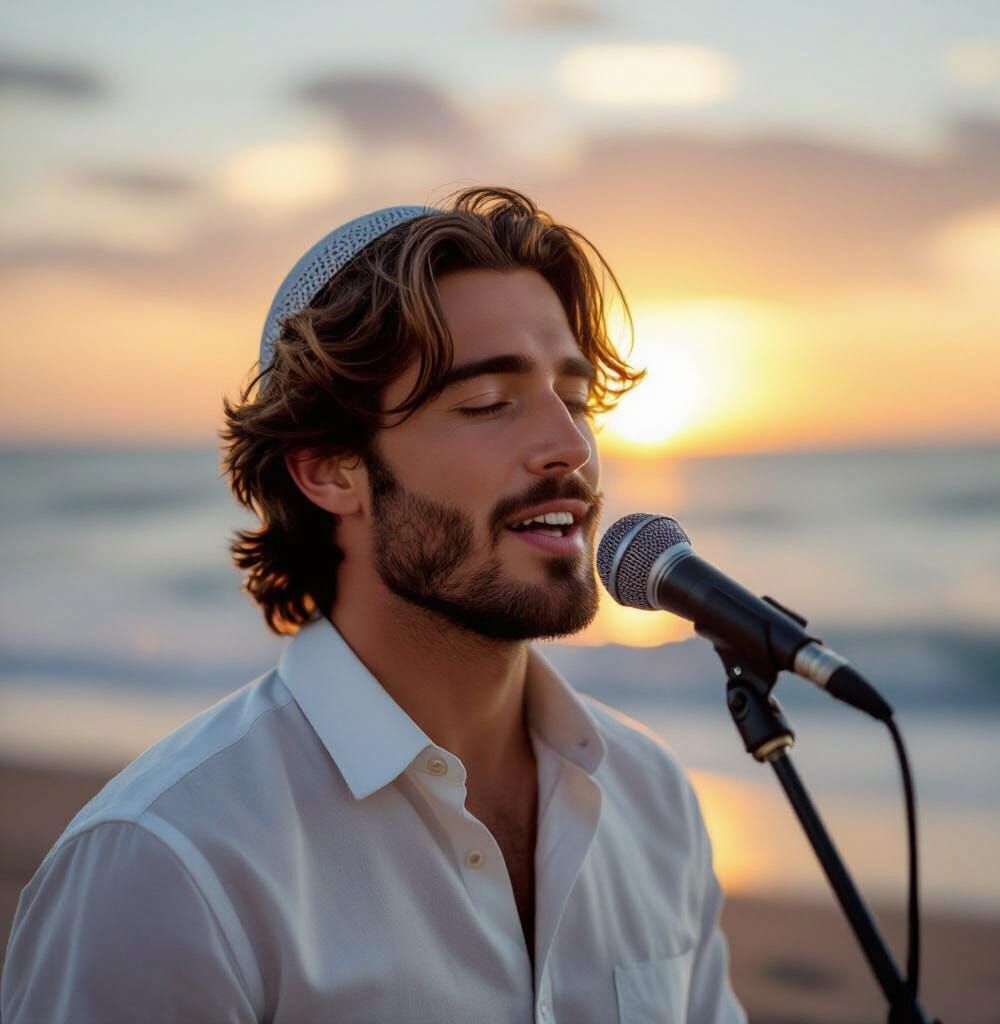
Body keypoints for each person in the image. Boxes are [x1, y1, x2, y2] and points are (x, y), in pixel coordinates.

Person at [1, 186, 746, 1022]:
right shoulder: (169, 863)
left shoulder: (653, 798)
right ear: (329, 469)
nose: (570, 447)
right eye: (488, 404)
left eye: (574, 402)